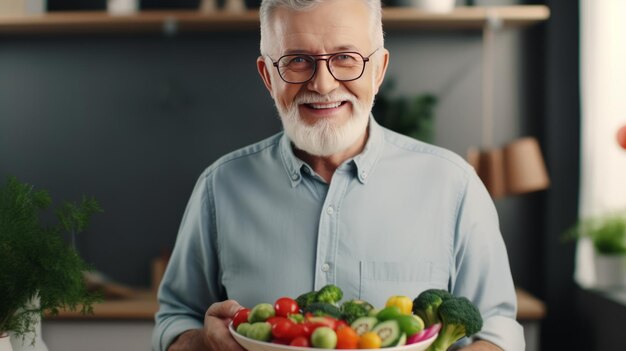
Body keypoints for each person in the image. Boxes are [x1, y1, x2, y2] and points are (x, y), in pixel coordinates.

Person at [152, 0, 524, 350]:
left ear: (379, 69)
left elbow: (497, 326)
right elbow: (174, 317)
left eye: (345, 58)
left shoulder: (454, 186)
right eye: (298, 60)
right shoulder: (219, 188)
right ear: (268, 76)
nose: (323, 84)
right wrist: (203, 342)